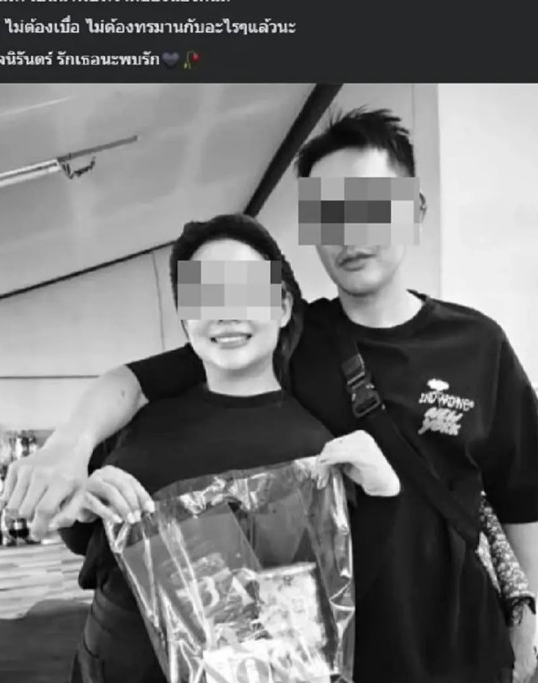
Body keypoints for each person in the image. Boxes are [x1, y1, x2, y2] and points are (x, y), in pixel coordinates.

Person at [3, 109, 538, 683]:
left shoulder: (477, 343)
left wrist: (523, 622)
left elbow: (522, 499)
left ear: (416, 210)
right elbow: (130, 382)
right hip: (346, 652)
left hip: (462, 645)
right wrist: (69, 446)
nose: (349, 234)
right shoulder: (290, 339)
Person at [55, 213, 399, 683]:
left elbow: (326, 611)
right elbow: (86, 546)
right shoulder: (132, 418)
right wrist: (82, 506)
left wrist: (384, 494)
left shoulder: (314, 449)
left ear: (282, 306)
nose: (225, 312)